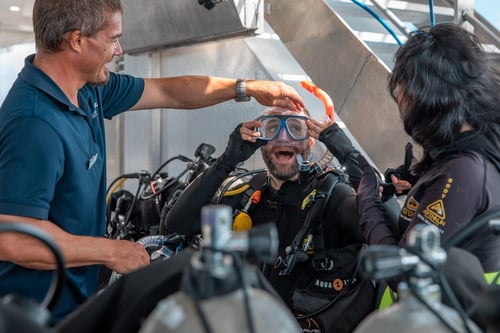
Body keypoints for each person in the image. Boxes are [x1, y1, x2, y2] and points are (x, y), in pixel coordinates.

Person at [0, 0, 305, 325]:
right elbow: (13, 238)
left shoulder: (87, 91)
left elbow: (169, 92)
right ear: (77, 41)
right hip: (38, 314)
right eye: (112, 38)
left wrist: (246, 88)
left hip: (77, 299)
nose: (118, 50)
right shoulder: (34, 123)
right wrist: (110, 251)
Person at [165, 106, 377, 332]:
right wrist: (227, 161)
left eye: (296, 128)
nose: (283, 137)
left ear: (311, 140)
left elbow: (388, 230)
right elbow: (178, 223)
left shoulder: (334, 197)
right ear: (261, 141)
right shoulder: (244, 192)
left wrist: (348, 153)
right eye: (272, 128)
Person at [356, 23, 500, 316]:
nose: (403, 104)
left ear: (432, 99)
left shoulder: (465, 171)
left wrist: (366, 202)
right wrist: (418, 181)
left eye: (407, 94)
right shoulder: (463, 152)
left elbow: (405, 273)